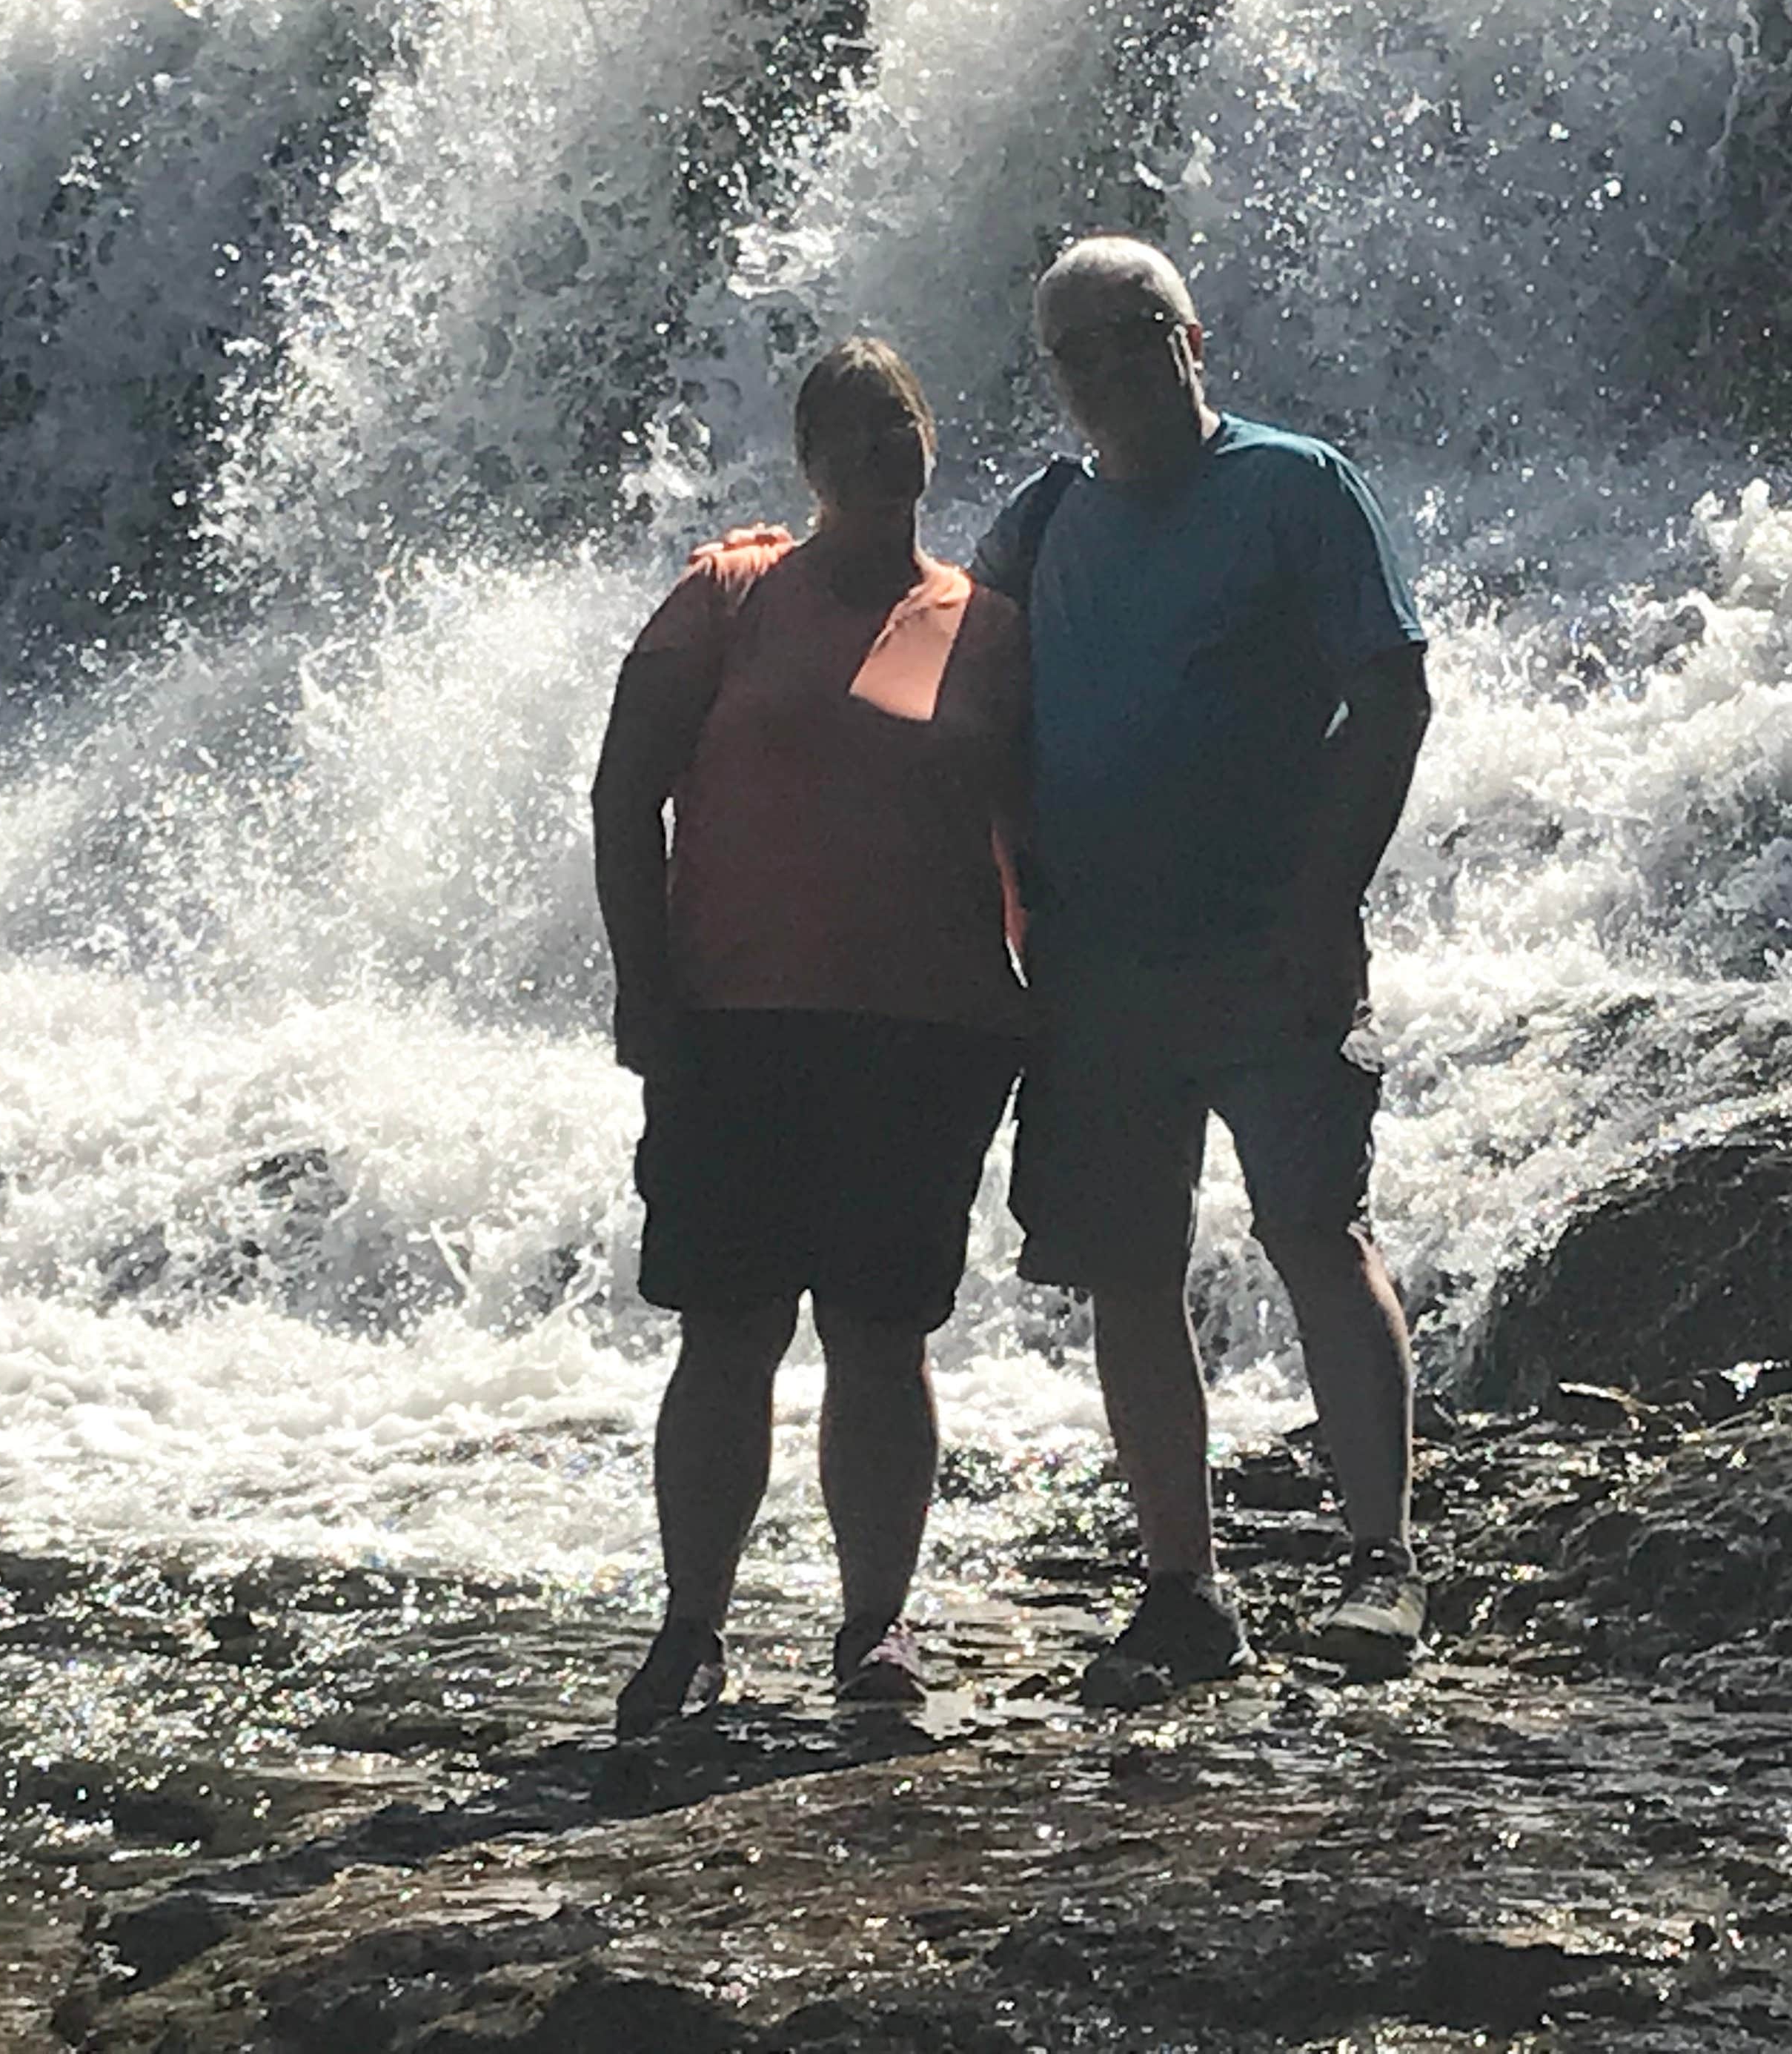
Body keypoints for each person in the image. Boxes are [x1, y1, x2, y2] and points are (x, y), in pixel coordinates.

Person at [972, 236, 1432, 1706]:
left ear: (1192, 339)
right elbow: (964, 707)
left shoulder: (1297, 488)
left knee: (1315, 1229)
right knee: (1129, 1269)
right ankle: (1183, 1592)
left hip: (1265, 941)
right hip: (1095, 965)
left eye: (1133, 335)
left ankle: (1381, 1564)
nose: (1106, 370)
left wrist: (1327, 899)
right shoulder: (1041, 522)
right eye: (1076, 352)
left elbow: (1393, 695)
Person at [591, 337, 1030, 1737]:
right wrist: (642, 986)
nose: (874, 449)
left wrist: (1054, 1001)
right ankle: (692, 1627)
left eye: (894, 421)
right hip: (735, 1019)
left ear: (930, 440)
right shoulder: (729, 594)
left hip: (926, 1030)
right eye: (842, 431)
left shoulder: (984, 624)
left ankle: (874, 1625)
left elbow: (1032, 835)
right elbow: (624, 793)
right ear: (808, 463)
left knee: (882, 1337)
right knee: (729, 1332)